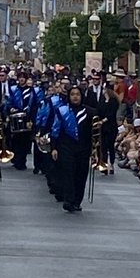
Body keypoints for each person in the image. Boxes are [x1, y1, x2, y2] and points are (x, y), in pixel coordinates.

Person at [50, 85, 95, 213]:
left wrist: (95, 151)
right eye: (72, 94)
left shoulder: (90, 112)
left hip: (83, 148)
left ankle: (77, 201)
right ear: (69, 97)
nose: (75, 97)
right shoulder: (62, 110)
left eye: (78, 94)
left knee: (80, 175)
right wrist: (54, 147)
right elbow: (55, 129)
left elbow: (95, 134)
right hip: (66, 146)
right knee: (68, 173)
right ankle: (68, 200)